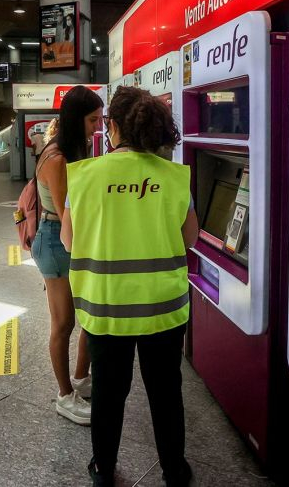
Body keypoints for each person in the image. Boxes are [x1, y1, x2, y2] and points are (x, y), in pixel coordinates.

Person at [61, 86, 197, 487]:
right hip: (163, 307)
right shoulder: (173, 177)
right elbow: (189, 238)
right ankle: (173, 470)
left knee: (108, 391)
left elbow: (69, 240)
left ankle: (103, 469)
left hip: (106, 306)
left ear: (113, 127)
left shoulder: (86, 176)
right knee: (166, 392)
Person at [31, 86, 104, 426]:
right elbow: (66, 217)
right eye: (92, 119)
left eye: (100, 119)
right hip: (56, 243)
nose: (97, 126)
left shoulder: (74, 148)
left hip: (65, 241)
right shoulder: (58, 158)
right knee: (64, 323)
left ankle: (81, 377)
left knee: (87, 316)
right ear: (76, 119)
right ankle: (65, 395)